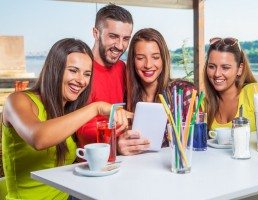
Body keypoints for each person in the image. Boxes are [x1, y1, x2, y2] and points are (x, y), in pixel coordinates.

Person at [1, 38, 129, 200]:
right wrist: (95, 107)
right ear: (55, 69)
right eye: (73, 70)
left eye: (87, 74)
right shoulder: (18, 101)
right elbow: (38, 138)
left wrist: (120, 143)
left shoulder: (68, 110)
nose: (82, 80)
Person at [117, 28, 196, 155]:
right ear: (132, 61)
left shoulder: (184, 92)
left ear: (164, 59)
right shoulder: (124, 98)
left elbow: (197, 145)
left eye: (155, 57)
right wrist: (119, 147)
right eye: (140, 58)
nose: (148, 64)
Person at [76, 4, 134, 148]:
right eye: (113, 36)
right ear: (96, 33)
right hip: (89, 160)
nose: (120, 46)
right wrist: (116, 138)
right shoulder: (80, 71)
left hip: (121, 157)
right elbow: (77, 129)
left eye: (126, 38)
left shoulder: (122, 68)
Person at [203, 37, 258, 132]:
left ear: (240, 69)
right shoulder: (204, 104)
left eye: (225, 67)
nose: (217, 74)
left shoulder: (254, 92)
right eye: (211, 66)